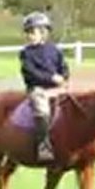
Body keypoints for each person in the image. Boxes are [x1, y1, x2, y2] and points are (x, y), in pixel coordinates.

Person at [18, 11, 69, 162]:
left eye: (32, 32)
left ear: (43, 32)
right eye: (27, 32)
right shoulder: (26, 53)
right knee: (42, 109)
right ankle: (43, 146)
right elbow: (31, 72)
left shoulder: (55, 50)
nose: (29, 36)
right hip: (38, 89)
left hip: (57, 88)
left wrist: (64, 77)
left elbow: (64, 67)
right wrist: (52, 77)